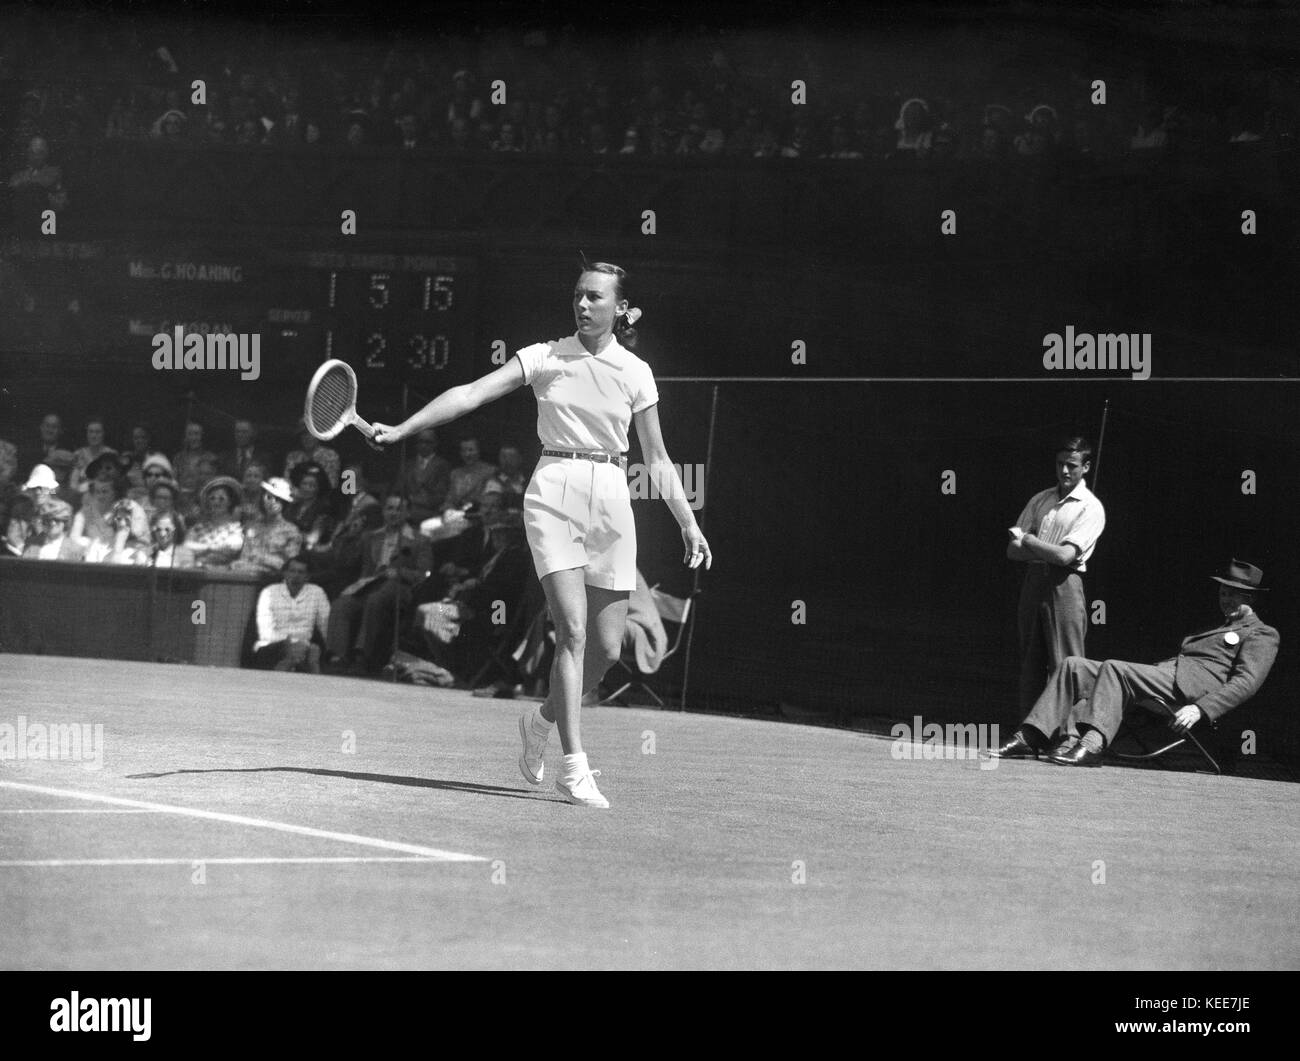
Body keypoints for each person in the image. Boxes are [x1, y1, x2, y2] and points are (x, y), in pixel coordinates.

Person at [373, 260, 712, 808]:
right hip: (553, 490)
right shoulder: (544, 355)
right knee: (571, 633)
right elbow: (471, 393)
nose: (583, 305)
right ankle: (574, 768)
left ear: (622, 309)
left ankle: (541, 720)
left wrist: (688, 522)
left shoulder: (637, 372)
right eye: (578, 295)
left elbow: (657, 457)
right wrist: (405, 427)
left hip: (611, 497)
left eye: (596, 298)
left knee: (604, 648)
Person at [992, 561, 1280, 767]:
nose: (1226, 599)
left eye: (1234, 594)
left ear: (1251, 597)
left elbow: (1246, 683)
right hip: (1165, 676)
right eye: (1223, 593)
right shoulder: (1216, 626)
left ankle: (1091, 745)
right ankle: (1031, 735)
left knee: (1115, 669)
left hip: (1190, 692)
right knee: (1073, 665)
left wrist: (1202, 709)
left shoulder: (1262, 634)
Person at [1007, 435, 1106, 718]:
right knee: (1030, 660)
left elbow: (1065, 557)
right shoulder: (1041, 499)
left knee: (1067, 662)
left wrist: (1028, 540)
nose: (1065, 471)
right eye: (1060, 464)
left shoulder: (1090, 507)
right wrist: (1035, 547)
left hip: (1065, 584)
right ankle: (1030, 733)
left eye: (1072, 465)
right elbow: (1012, 551)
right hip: (1034, 582)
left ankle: (1070, 735)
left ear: (1086, 467)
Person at [325, 494, 431, 674]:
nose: (393, 513)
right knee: (342, 604)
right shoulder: (370, 537)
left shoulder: (420, 540)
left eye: (399, 509)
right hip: (370, 585)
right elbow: (347, 562)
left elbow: (425, 574)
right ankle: (338, 657)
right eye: (389, 508)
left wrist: (399, 572)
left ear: (407, 513)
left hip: (399, 588)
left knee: (377, 599)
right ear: (383, 511)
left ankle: (362, 656)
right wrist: (350, 536)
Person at [253, 555, 330, 672]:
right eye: (292, 571)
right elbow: (265, 632)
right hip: (272, 645)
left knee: (313, 650)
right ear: (285, 573)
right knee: (308, 652)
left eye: (300, 572)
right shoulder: (269, 592)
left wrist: (328, 649)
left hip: (304, 646)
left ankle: (293, 664)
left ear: (307, 576)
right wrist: (290, 643)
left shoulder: (316, 592)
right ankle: (293, 664)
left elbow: (325, 623)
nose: (295, 575)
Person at [233, 477, 303, 575]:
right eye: (269, 497)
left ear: (284, 503)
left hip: (272, 578)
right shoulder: (253, 527)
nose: (272, 502)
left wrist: (262, 559)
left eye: (278, 499)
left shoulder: (291, 531)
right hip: (245, 573)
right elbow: (244, 555)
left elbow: (290, 564)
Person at [185, 476, 245, 567]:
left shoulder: (236, 529)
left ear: (229, 502)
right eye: (212, 498)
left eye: (221, 499)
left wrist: (201, 549)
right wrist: (211, 548)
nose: (216, 502)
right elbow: (186, 545)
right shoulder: (199, 528)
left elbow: (232, 548)